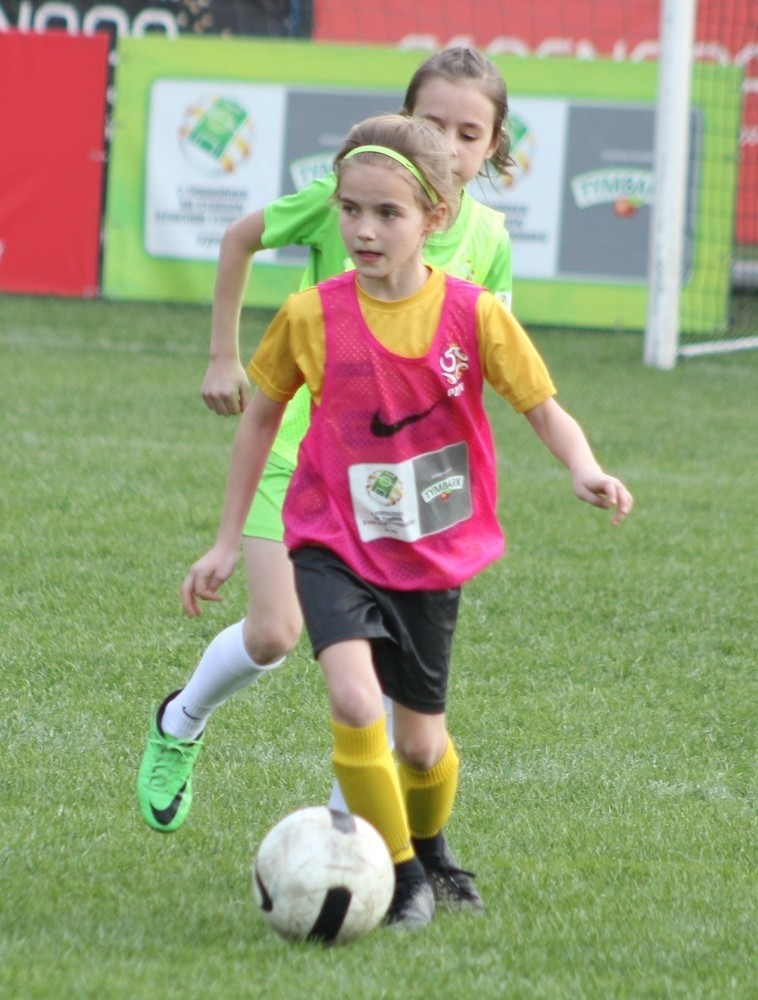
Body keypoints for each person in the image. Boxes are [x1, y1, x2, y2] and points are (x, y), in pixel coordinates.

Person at [172, 114, 633, 929]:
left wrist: (584, 466)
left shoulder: (475, 315)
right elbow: (258, 421)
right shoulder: (312, 315)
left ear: (436, 218)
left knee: (421, 747)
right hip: (331, 539)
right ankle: (401, 875)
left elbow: (541, 407)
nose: (363, 228)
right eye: (351, 210)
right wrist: (224, 540)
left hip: (430, 550)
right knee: (355, 703)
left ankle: (431, 845)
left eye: (387, 214)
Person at [139, 48, 510, 910]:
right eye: (437, 125)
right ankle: (180, 720)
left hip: (401, 492)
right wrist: (224, 354)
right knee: (272, 634)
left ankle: (368, 863)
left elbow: (479, 365)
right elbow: (241, 238)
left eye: (470, 133)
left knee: (369, 683)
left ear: (492, 148)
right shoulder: (353, 196)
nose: (450, 146)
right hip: (302, 457)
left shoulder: (485, 241)